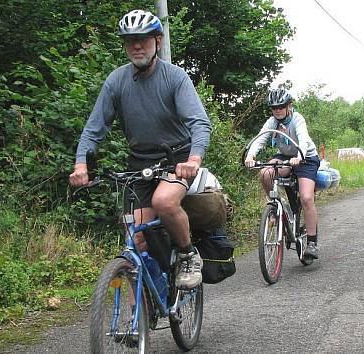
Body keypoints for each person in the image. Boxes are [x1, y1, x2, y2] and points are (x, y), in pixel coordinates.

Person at [69, 9, 212, 289]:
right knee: (135, 238)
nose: (137, 46)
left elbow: (199, 123)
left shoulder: (175, 77)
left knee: (164, 202)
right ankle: (138, 325)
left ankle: (187, 255)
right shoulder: (116, 81)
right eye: (130, 40)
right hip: (140, 162)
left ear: (158, 41)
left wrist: (194, 159)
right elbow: (94, 128)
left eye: (144, 39)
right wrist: (80, 165)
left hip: (177, 158)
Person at [244, 88, 321, 259]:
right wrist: (250, 156)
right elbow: (260, 139)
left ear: (289, 106)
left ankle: (312, 243)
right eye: (274, 107)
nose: (277, 110)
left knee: (307, 197)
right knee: (265, 173)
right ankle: (276, 203)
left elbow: (304, 140)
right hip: (285, 157)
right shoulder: (271, 122)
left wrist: (299, 156)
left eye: (281, 106)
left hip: (306, 156)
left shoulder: (297, 119)